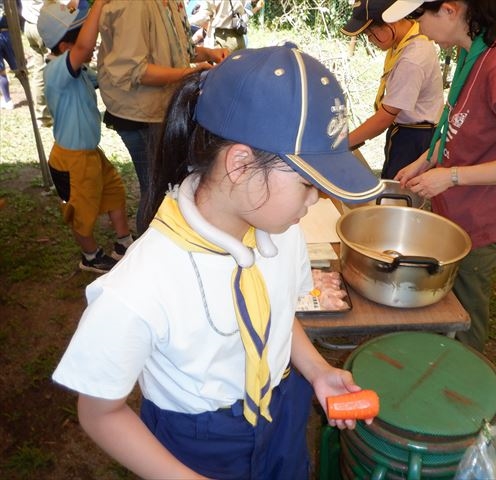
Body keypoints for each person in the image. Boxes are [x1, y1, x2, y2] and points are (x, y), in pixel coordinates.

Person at [52, 44, 385, 479]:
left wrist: (318, 370)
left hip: (282, 409)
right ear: (241, 164)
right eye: (307, 184)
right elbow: (99, 413)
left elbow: (278, 313)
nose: (316, 200)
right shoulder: (140, 287)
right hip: (198, 446)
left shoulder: (281, 233)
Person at [383, 0, 496, 352]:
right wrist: (427, 159)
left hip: (480, 221)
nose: (418, 28)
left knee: (464, 319)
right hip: (454, 214)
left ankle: (467, 396)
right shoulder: (475, 52)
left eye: (418, 17)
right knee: (440, 307)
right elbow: (462, 124)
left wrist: (451, 176)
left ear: (450, 10)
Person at [97, 0, 229, 234]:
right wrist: (190, 73)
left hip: (161, 107)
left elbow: (180, 50)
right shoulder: (133, 6)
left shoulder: (171, 3)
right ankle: (149, 250)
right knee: (156, 189)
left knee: (168, 183)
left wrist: (208, 53)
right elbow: (136, 70)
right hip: (138, 113)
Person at [37, 0, 133, 273]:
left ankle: (123, 242)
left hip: (90, 153)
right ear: (66, 47)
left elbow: (103, 76)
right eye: (82, 40)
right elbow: (84, 49)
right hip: (72, 160)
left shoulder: (78, 72)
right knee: (81, 213)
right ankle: (90, 256)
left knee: (114, 191)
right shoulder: (55, 71)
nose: (89, 48)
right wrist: (99, 5)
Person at [341, 0, 443, 180]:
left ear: (390, 22)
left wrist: (343, 143)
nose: (370, 40)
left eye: (370, 33)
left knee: (400, 193)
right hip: (405, 131)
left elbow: (385, 117)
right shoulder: (404, 40)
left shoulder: (412, 58)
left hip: (415, 137)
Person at [21, 0, 52, 126]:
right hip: (44, 24)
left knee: (39, 70)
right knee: (58, 68)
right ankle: (61, 111)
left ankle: (42, 116)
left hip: (29, 25)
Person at [0, 0, 20, 110]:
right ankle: (31, 96)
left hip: (7, 32)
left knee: (1, 72)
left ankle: (8, 100)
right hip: (8, 32)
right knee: (18, 67)